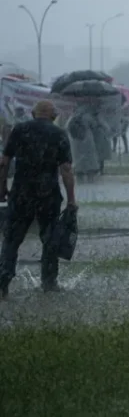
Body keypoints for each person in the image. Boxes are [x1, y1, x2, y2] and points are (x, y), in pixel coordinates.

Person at [0, 100, 77, 298]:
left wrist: (2, 188)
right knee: (50, 241)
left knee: (11, 239)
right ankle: (49, 283)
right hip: (48, 196)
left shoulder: (20, 130)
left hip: (21, 194)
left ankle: (3, 282)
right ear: (54, 116)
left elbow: (4, 162)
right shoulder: (59, 134)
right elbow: (66, 170)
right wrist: (71, 200)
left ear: (33, 114)